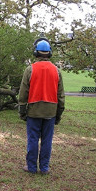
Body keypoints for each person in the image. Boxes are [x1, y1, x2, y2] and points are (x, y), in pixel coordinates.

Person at [18, 38, 65, 174]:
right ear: (49, 53)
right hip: (51, 111)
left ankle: (31, 167)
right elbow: (61, 96)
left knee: (32, 139)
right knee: (47, 140)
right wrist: (59, 114)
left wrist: (22, 112)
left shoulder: (30, 69)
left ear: (35, 53)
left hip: (33, 111)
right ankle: (44, 168)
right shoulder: (56, 71)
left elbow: (23, 94)